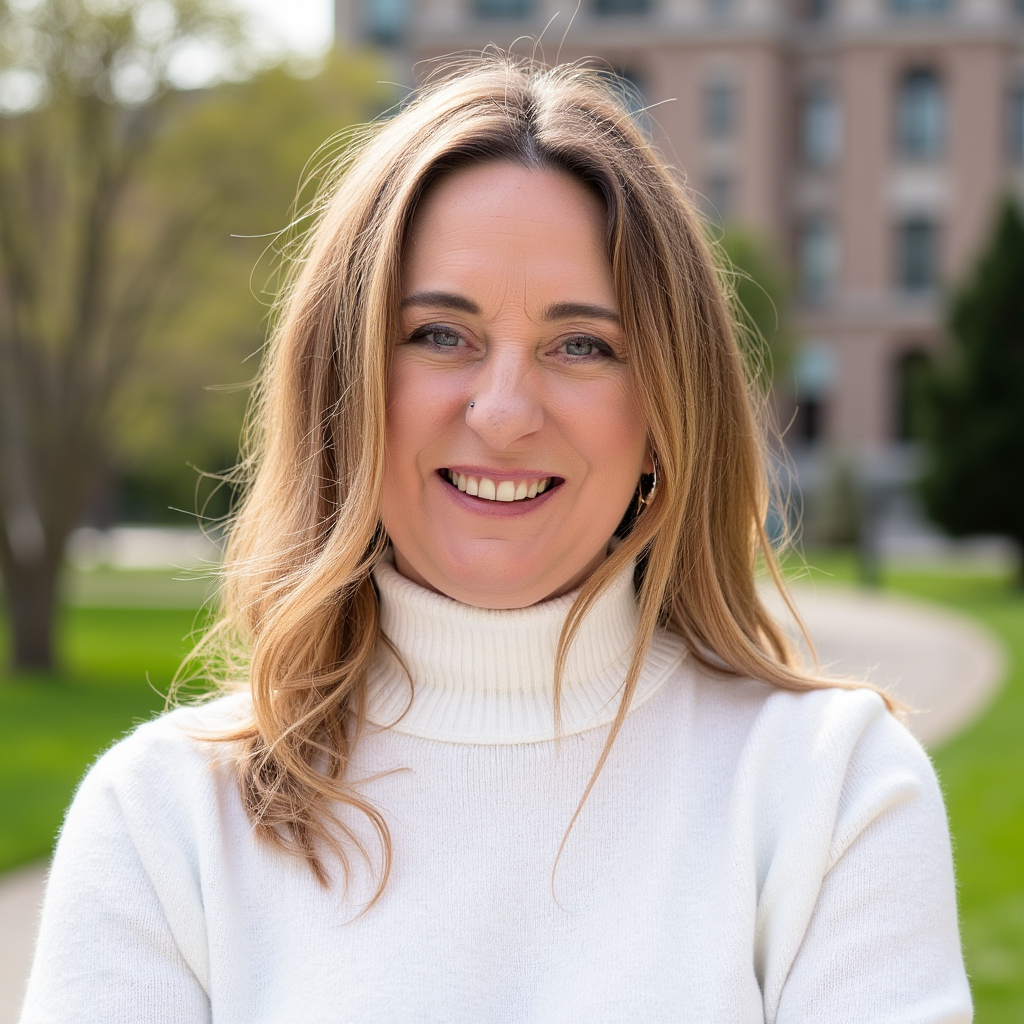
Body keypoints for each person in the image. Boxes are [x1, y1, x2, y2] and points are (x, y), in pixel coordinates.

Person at [21, 57, 971, 1023]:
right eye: (439, 334)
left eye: (583, 346)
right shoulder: (164, 823)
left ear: (665, 417)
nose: (506, 411)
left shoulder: (830, 790)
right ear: (342, 389)